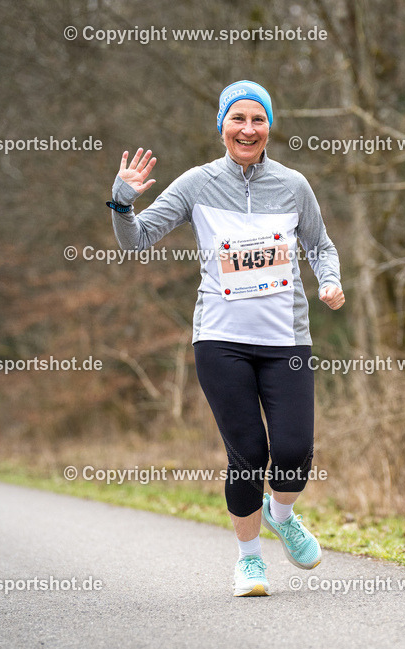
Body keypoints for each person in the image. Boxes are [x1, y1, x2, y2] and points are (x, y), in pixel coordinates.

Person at [108, 80, 344, 597]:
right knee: (248, 454)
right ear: (221, 127)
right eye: (238, 119)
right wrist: (122, 203)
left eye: (258, 120)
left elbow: (321, 245)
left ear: (269, 127)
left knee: (294, 450)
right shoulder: (196, 184)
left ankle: (281, 515)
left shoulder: (294, 185)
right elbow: (138, 240)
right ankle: (249, 561)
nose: (248, 129)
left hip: (287, 340)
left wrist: (330, 279)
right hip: (221, 339)